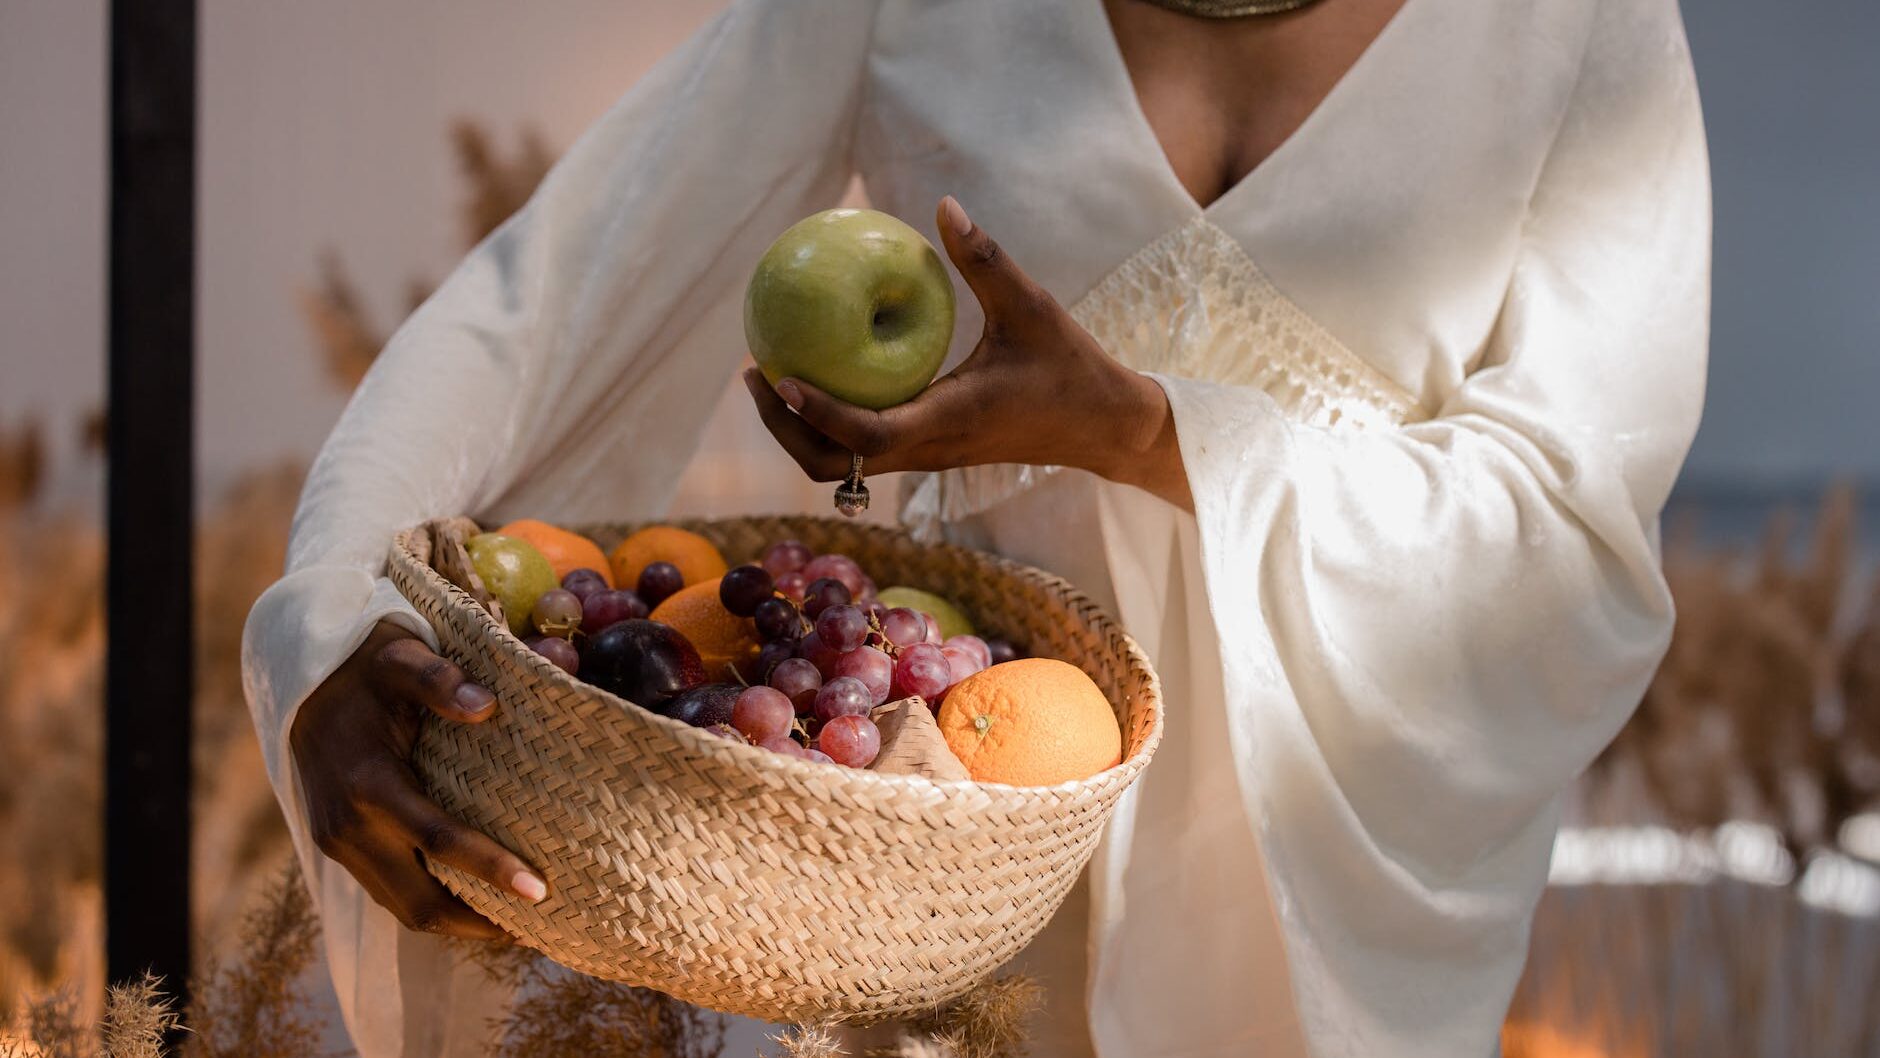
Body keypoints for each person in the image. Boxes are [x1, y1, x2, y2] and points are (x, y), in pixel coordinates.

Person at [242, 0, 1710, 1054]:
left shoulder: (1581, 28)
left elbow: (1576, 535)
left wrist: (1142, 433)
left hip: (1335, 923)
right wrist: (325, 619)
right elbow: (545, 297)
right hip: (926, 870)